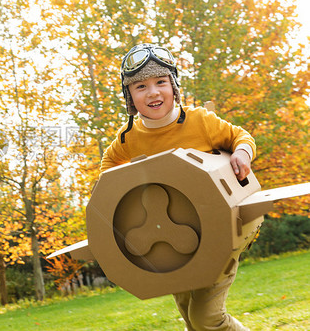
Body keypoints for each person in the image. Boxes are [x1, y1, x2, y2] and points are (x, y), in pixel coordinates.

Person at [101, 43, 254, 331]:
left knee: (206, 318)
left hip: (217, 234)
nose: (153, 92)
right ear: (130, 97)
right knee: (190, 321)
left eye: (161, 82)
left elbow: (240, 136)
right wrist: (116, 197)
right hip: (169, 242)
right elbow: (108, 166)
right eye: (141, 86)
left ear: (173, 86)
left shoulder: (200, 121)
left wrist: (242, 153)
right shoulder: (128, 138)